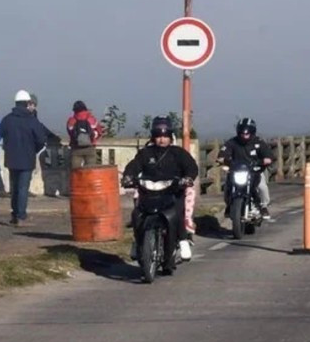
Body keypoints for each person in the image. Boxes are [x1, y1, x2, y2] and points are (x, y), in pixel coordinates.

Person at [121, 115, 199, 261]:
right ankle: (137, 244)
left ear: (171, 136)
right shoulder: (145, 153)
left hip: (173, 192)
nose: (161, 139)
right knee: (137, 215)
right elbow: (134, 166)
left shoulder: (178, 153)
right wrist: (128, 177)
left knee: (177, 213)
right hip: (148, 193)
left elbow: (191, 167)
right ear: (152, 137)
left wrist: (187, 178)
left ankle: (183, 241)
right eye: (158, 136)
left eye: (165, 135)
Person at [0, 89, 58, 226]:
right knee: (23, 188)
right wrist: (34, 151)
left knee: (14, 188)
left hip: (11, 158)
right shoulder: (31, 120)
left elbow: (0, 133)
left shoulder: (7, 119)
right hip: (27, 158)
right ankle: (21, 216)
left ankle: (14, 215)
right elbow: (41, 139)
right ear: (26, 103)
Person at [216, 117, 275, 221]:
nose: (244, 136)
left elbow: (269, 156)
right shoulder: (232, 142)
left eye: (247, 134)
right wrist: (224, 160)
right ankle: (229, 205)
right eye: (242, 133)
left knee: (262, 187)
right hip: (236, 171)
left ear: (252, 132)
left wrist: (265, 160)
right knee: (227, 187)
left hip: (255, 171)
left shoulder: (259, 142)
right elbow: (221, 155)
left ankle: (263, 206)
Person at [65, 100, 104, 169]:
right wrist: (93, 140)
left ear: (74, 110)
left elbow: (70, 133)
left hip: (76, 149)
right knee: (90, 171)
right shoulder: (92, 119)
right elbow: (99, 132)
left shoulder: (71, 120)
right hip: (90, 148)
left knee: (75, 172)